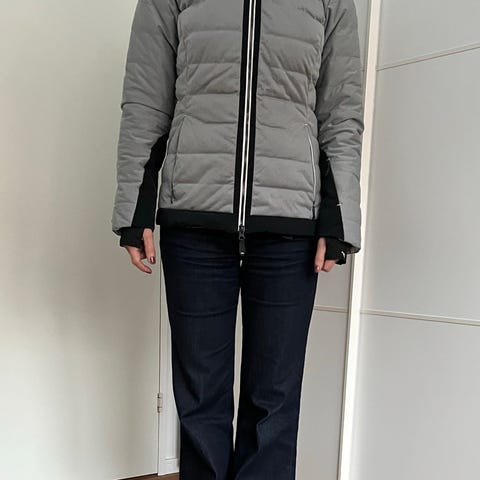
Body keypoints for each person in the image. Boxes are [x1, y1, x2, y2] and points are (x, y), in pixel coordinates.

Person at [111, 0, 364, 478]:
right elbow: (145, 96)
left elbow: (341, 108)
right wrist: (135, 206)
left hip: (290, 221)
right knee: (199, 396)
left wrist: (339, 215)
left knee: (275, 400)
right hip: (194, 216)